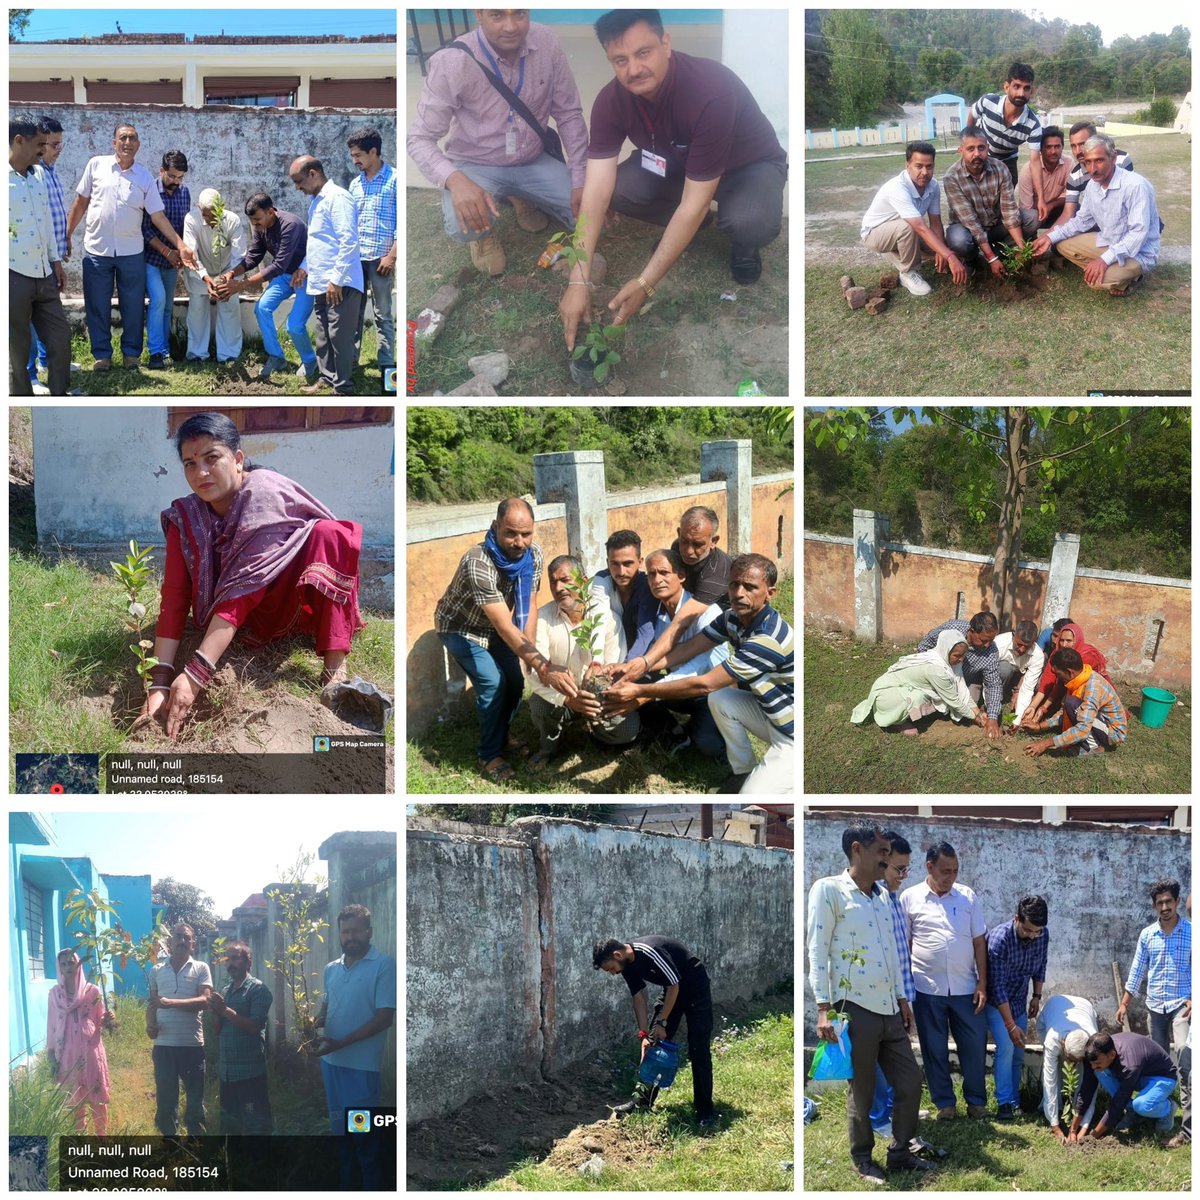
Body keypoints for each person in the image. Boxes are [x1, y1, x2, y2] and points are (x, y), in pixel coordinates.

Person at [558, 9, 788, 352]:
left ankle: (742, 243)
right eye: (620, 60)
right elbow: (596, 190)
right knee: (619, 189)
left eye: (643, 52)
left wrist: (646, 283)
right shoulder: (610, 101)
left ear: (666, 43)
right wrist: (579, 279)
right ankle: (689, 231)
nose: (633, 69)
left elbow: (694, 203)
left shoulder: (710, 90)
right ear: (609, 60)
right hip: (680, 164)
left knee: (748, 220)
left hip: (747, 167)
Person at [143, 413, 366, 739]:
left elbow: (244, 589)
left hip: (284, 602)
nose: (201, 472)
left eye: (211, 458)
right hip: (228, 618)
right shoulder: (186, 516)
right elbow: (175, 595)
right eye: (189, 463)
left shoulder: (264, 495)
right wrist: (159, 681)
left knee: (329, 535)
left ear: (237, 459)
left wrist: (195, 674)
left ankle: (334, 669)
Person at [407, 8, 589, 276]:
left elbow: (568, 113)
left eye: (519, 14)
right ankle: (483, 235)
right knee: (462, 224)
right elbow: (419, 138)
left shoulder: (547, 43)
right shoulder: (452, 62)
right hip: (477, 163)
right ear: (478, 13)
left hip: (532, 158)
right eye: (497, 15)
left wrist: (580, 177)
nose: (511, 26)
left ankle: (519, 196)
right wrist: (456, 180)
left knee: (591, 212)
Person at [603, 553, 792, 793]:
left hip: (789, 731)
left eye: (750, 587)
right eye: (734, 584)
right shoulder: (733, 618)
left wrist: (640, 691)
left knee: (751, 798)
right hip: (768, 712)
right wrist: (637, 666)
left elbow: (704, 684)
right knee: (721, 699)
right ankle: (743, 771)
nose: (740, 593)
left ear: (770, 593)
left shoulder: (767, 639)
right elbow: (688, 648)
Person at [807, 825, 932, 1183]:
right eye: (882, 851)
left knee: (910, 1081)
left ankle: (899, 1152)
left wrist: (901, 998)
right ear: (858, 850)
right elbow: (817, 950)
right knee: (862, 1091)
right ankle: (862, 1158)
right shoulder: (829, 890)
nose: (888, 858)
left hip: (889, 1008)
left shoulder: (881, 895)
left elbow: (891, 951)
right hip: (854, 1005)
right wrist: (823, 1008)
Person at [434, 497, 578, 782]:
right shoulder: (478, 562)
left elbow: (530, 606)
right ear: (496, 527)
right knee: (492, 683)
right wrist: (543, 665)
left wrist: (532, 655)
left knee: (514, 682)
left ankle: (500, 734)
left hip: (498, 628)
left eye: (526, 534)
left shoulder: (533, 556)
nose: (519, 542)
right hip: (461, 629)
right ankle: (488, 755)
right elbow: (503, 625)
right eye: (511, 533)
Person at [66, 123, 198, 371]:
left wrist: (180, 245)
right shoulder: (96, 165)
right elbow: (81, 202)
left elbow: (158, 216)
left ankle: (131, 355)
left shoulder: (144, 177)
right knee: (97, 304)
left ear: (138, 145)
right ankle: (102, 356)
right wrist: (67, 234)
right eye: (122, 138)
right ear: (114, 142)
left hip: (131, 253)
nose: (127, 142)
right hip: (97, 251)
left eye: (132, 138)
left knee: (133, 306)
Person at [901, 841, 990, 1121]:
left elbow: (979, 942)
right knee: (934, 1048)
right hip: (927, 989)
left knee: (974, 1048)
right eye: (945, 871)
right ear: (930, 867)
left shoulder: (967, 897)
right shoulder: (910, 898)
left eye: (955, 870)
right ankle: (945, 1104)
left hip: (966, 988)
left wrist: (982, 984)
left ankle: (976, 1102)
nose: (951, 877)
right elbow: (904, 946)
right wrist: (904, 993)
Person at [310, 905, 396, 1190]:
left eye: (357, 930)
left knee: (363, 1139)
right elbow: (327, 1005)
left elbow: (385, 1018)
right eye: (345, 931)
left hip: (360, 1072)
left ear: (368, 931)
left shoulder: (384, 965)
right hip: (331, 1067)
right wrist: (313, 1021)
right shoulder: (331, 969)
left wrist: (341, 1043)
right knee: (341, 1137)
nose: (351, 936)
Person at [525, 554, 639, 769]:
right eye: (553, 581)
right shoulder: (541, 619)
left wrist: (594, 698)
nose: (558, 587)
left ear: (584, 581)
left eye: (565, 580)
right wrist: (568, 700)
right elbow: (531, 670)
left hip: (598, 696)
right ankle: (548, 748)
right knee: (539, 705)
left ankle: (594, 732)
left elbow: (614, 668)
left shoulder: (607, 618)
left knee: (627, 731)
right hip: (563, 698)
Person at [593, 935, 716, 1128]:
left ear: (617, 954)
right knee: (652, 1046)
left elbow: (674, 985)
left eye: (610, 968)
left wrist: (662, 1021)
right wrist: (644, 1035)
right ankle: (642, 1102)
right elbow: (638, 997)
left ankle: (705, 1111)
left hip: (695, 988)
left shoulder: (650, 952)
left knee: (698, 1050)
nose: (612, 973)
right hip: (672, 992)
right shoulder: (626, 965)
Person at [1032, 132, 1161, 297]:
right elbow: (1080, 222)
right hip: (1109, 241)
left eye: (1099, 160)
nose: (1093, 169)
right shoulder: (1092, 186)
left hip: (1138, 252)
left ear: (1113, 158)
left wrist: (1103, 260)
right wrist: (1050, 237)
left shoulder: (1135, 186)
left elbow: (1138, 234)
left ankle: (1133, 276)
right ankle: (1107, 268)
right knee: (1061, 244)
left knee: (1097, 282)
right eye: (1088, 162)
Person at [628, 547, 728, 758]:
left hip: (712, 692)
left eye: (664, 573)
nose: (657, 580)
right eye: (652, 574)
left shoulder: (708, 612)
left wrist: (648, 694)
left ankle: (717, 729)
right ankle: (675, 733)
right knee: (637, 681)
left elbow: (698, 667)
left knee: (708, 747)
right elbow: (656, 656)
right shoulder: (658, 614)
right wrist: (630, 673)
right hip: (681, 689)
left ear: (681, 576)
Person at [616, 506, 732, 682]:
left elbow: (681, 622)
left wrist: (646, 664)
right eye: (684, 541)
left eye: (698, 544)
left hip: (721, 620)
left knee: (695, 651)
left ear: (713, 540)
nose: (688, 550)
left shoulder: (717, 573)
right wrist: (633, 666)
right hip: (681, 611)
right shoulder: (677, 548)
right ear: (679, 533)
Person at [217, 192, 317, 381]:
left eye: (257, 220)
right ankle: (277, 357)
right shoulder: (261, 228)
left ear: (271, 211)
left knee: (294, 326)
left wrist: (242, 285)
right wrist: (232, 273)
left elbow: (278, 265)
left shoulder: (291, 225)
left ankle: (310, 361)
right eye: (252, 221)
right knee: (262, 308)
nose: (255, 225)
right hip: (285, 275)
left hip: (306, 275)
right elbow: (253, 256)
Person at [289, 156, 364, 395]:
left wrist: (336, 280)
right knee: (323, 334)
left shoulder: (338, 198)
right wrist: (305, 267)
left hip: (339, 283)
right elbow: (320, 242)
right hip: (320, 281)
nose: (297, 187)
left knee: (339, 336)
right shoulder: (316, 201)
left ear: (313, 174)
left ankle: (343, 388)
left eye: (299, 181)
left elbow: (349, 242)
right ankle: (327, 377)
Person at [9, 117, 71, 395]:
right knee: (17, 350)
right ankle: (21, 396)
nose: (43, 150)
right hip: (12, 275)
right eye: (39, 144)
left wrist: (55, 260)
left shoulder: (39, 175)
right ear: (18, 141)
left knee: (60, 339)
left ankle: (60, 396)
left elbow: (45, 221)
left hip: (44, 273)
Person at [860, 140, 966, 296]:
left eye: (929, 166)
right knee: (908, 226)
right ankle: (909, 272)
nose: (924, 172)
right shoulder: (897, 187)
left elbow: (935, 221)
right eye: (919, 166)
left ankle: (898, 252)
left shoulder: (933, 185)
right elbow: (919, 227)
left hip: (903, 230)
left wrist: (941, 251)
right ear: (907, 165)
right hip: (874, 234)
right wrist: (949, 256)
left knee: (942, 240)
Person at [868, 831, 916, 1138]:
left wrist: (904, 1000)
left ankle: (890, 1111)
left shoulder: (894, 898)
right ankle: (877, 1117)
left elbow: (901, 951)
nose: (902, 875)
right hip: (879, 998)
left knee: (895, 1062)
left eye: (906, 869)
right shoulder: (875, 900)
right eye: (898, 869)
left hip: (898, 996)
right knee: (875, 1061)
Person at [985, 895, 1049, 1121]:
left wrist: (1036, 996)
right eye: (1028, 930)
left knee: (1018, 1053)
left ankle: (1014, 1101)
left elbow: (1041, 964)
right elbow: (997, 986)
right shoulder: (999, 939)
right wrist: (1010, 1025)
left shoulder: (1042, 934)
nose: (1033, 936)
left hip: (1020, 1001)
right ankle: (1003, 1104)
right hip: (997, 1003)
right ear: (1016, 919)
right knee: (1006, 1047)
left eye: (1037, 931)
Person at [147, 922, 213, 1136]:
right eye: (178, 937)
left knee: (194, 1098)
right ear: (170, 941)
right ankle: (170, 1144)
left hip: (192, 1045)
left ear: (193, 944)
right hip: (164, 1045)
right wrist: (150, 1026)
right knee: (166, 1098)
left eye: (187, 938)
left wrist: (172, 1003)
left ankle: (196, 1143)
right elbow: (152, 1003)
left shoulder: (201, 968)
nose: (182, 941)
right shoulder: (156, 970)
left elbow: (205, 1001)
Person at [943, 126, 1034, 278]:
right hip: (967, 230)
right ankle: (972, 259)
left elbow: (1009, 212)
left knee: (1031, 218)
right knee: (959, 241)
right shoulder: (951, 178)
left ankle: (1002, 251)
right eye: (970, 149)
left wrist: (1021, 249)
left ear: (988, 148)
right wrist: (991, 258)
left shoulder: (1001, 168)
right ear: (961, 151)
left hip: (995, 225)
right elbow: (971, 222)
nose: (977, 154)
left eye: (981, 148)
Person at [851, 629, 981, 733]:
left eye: (963, 655)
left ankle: (906, 715)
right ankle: (896, 722)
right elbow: (953, 699)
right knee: (920, 697)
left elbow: (960, 687)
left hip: (903, 687)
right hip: (887, 695)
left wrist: (977, 712)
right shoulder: (936, 669)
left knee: (930, 695)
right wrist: (975, 717)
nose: (961, 659)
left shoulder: (948, 660)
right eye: (957, 656)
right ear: (945, 650)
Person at [26, 114, 75, 393]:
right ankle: (30, 374)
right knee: (31, 316)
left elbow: (55, 212)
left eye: (60, 144)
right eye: (54, 145)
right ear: (40, 143)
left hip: (52, 254)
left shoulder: (50, 171)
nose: (58, 150)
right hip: (35, 258)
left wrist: (65, 239)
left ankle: (47, 361)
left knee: (47, 312)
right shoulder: (32, 173)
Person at [1115, 879, 1191, 1056]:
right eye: (1160, 903)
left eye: (1168, 901)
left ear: (1177, 901)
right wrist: (1124, 1004)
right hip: (1155, 1004)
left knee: (1184, 1049)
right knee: (1158, 1055)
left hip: (1183, 1002)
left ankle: (1188, 1085)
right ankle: (1165, 1085)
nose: (1164, 907)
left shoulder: (1192, 932)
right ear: (1154, 905)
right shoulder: (1148, 935)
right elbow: (1137, 970)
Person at [47, 948, 114, 1135]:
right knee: (74, 1101)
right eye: (64, 963)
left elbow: (101, 1018)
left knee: (97, 1098)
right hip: (66, 1053)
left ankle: (102, 1140)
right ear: (59, 967)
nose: (68, 966)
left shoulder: (92, 991)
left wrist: (109, 1018)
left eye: (72, 962)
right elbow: (51, 1024)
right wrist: (51, 1054)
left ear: (79, 964)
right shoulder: (54, 994)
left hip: (90, 1049)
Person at [209, 941, 273, 1133]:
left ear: (248, 962)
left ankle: (259, 1161)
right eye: (227, 959)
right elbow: (217, 1030)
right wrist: (215, 1012)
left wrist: (224, 1009)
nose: (230, 964)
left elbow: (255, 1027)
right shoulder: (225, 991)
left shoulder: (258, 990)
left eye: (235, 958)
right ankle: (233, 1161)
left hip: (249, 1073)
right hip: (227, 1072)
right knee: (230, 1124)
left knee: (255, 1123)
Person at [346, 128, 397, 370]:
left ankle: (386, 365)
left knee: (383, 314)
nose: (354, 160)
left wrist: (392, 256)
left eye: (358, 155)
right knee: (354, 313)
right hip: (356, 260)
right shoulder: (354, 185)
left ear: (373, 151)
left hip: (381, 259)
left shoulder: (394, 180)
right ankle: (352, 361)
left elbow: (401, 223)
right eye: (353, 155)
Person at [1023, 647, 1128, 758]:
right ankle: (1090, 741)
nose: (1058, 678)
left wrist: (1046, 743)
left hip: (1113, 733)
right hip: (1100, 723)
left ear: (1069, 672)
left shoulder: (1093, 687)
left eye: (1058, 674)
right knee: (1071, 703)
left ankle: (1094, 748)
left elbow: (1083, 728)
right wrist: (1039, 727)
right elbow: (1064, 713)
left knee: (1072, 703)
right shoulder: (1077, 680)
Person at [182, 188, 247, 363]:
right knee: (197, 310)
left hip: (227, 271)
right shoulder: (192, 218)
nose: (210, 220)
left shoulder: (233, 220)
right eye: (206, 215)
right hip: (199, 272)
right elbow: (191, 253)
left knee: (230, 309)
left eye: (214, 215)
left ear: (221, 208)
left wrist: (227, 279)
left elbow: (239, 256)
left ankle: (229, 355)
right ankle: (196, 355)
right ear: (198, 208)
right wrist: (205, 276)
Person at [1073, 1031, 1177, 1139]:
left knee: (1142, 1105)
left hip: (1163, 1077)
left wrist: (1094, 1136)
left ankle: (1167, 1108)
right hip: (1140, 1074)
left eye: (1098, 1063)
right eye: (1091, 1064)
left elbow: (1119, 1100)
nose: (1093, 1067)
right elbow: (1087, 1088)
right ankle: (1132, 1112)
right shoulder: (1099, 1049)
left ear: (1112, 1055)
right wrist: (1073, 1130)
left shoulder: (1129, 1064)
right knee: (1100, 1073)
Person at [141, 149, 191, 368]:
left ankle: (165, 351)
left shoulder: (184, 192)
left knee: (168, 306)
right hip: (151, 258)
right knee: (158, 300)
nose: (176, 181)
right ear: (161, 170)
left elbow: (183, 226)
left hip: (172, 261)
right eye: (171, 176)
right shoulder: (149, 190)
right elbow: (145, 230)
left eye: (180, 177)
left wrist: (180, 253)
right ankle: (155, 353)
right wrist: (167, 252)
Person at [917, 613, 1003, 738]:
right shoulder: (952, 629)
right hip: (938, 674)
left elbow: (993, 685)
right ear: (972, 631)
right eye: (984, 640)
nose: (987, 645)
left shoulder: (991, 651)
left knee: (967, 709)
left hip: (966, 680)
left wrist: (993, 717)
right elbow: (925, 645)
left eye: (991, 640)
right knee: (925, 704)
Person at [1019, 621, 1106, 731]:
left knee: (1070, 704)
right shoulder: (1057, 653)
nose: (1064, 645)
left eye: (1069, 641)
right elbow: (1047, 682)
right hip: (1070, 692)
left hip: (1089, 695)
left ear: (1077, 640)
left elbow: (1065, 687)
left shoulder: (1085, 657)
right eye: (1061, 640)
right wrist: (1035, 707)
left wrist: (1043, 721)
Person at [966, 63, 1043, 188]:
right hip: (981, 154)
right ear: (1006, 87)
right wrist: (968, 144)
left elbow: (1035, 161)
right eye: (1016, 86)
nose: (1021, 93)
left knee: (1005, 199)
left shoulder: (1033, 125)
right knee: (973, 192)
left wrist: (1041, 198)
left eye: (1026, 88)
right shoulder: (987, 102)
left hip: (1008, 160)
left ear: (1031, 91)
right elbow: (972, 115)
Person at [589, 529, 658, 664]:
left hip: (642, 659)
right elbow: (598, 620)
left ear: (640, 561)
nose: (621, 572)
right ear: (607, 562)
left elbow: (645, 635)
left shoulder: (646, 586)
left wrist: (626, 666)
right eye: (614, 564)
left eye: (627, 564)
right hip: (610, 656)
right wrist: (596, 662)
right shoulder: (601, 581)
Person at [1053, 121, 1135, 232]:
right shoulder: (1074, 177)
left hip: (1127, 227)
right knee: (1058, 243)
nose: (1078, 151)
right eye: (1073, 146)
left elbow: (1123, 204)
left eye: (1082, 144)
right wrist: (1047, 237)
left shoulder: (1120, 160)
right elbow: (1068, 214)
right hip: (1098, 228)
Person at [1040, 996, 1099, 1140]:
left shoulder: (1093, 1041)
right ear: (1063, 1043)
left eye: (1078, 1060)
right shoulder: (1053, 1039)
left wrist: (1084, 1126)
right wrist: (1055, 1126)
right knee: (1053, 1071)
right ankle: (1053, 1112)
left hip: (1085, 1007)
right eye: (1070, 1059)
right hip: (1053, 1007)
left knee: (1084, 1076)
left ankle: (1078, 1115)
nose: (1073, 1064)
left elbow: (1092, 1085)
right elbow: (1049, 1082)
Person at [1017, 126, 1070, 232]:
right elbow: (1027, 207)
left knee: (1076, 209)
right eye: (1048, 147)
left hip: (1056, 209)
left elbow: (1070, 195)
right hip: (1035, 212)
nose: (1053, 151)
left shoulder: (1069, 163)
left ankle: (1059, 245)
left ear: (1062, 147)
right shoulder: (1028, 170)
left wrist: (1051, 205)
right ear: (1040, 149)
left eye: (1057, 146)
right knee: (1031, 216)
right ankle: (1028, 245)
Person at [990, 620, 1043, 720]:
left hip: (1020, 678)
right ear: (1013, 635)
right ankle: (998, 698)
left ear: (1034, 641)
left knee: (1039, 682)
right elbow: (989, 676)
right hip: (1001, 675)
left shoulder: (1038, 655)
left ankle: (1012, 697)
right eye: (1019, 644)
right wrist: (992, 713)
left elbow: (1028, 688)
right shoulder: (998, 644)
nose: (1022, 649)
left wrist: (1017, 719)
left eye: (1027, 646)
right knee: (1004, 668)